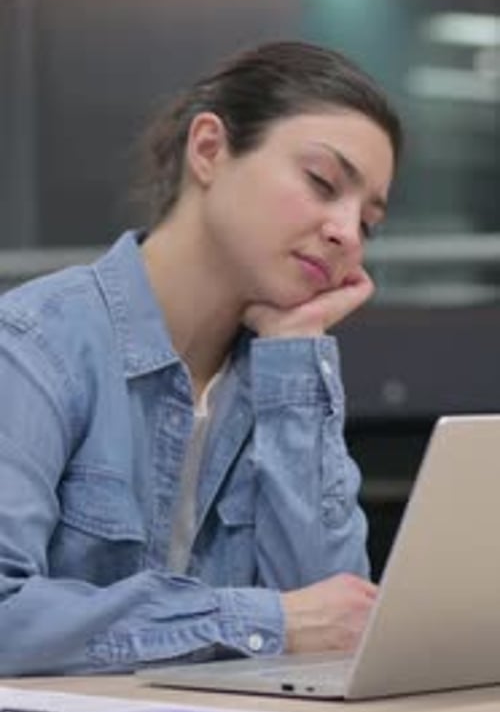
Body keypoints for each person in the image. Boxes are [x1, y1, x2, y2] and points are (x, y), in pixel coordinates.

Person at [0, 40, 401, 676]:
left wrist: (295, 353)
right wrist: (263, 623)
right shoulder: (34, 344)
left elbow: (334, 627)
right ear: (209, 149)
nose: (347, 233)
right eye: (322, 182)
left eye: (369, 224)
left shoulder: (274, 372)